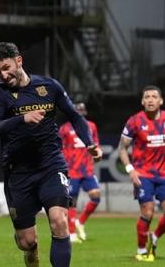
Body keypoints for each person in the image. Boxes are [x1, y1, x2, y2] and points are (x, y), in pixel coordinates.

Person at [0, 42, 102, 267]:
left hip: (51, 165)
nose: (4, 75)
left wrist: (89, 143)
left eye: (6, 68)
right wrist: (21, 118)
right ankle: (32, 249)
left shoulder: (49, 86)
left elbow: (75, 116)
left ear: (19, 61)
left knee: (59, 220)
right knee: (26, 241)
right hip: (18, 173)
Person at [118, 85, 165, 262]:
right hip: (142, 174)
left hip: (162, 174)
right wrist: (130, 170)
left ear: (161, 101)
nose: (150, 99)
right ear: (142, 101)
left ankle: (154, 236)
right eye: (147, 97)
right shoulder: (134, 121)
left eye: (154, 96)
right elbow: (122, 148)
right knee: (148, 212)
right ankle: (140, 250)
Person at [58, 102, 101, 243]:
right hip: (72, 170)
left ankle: (80, 222)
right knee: (72, 202)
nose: (80, 112)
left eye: (82, 110)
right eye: (78, 110)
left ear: (85, 112)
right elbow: (59, 148)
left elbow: (96, 144)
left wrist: (98, 153)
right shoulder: (64, 129)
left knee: (96, 196)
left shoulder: (92, 126)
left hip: (87, 169)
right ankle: (71, 233)